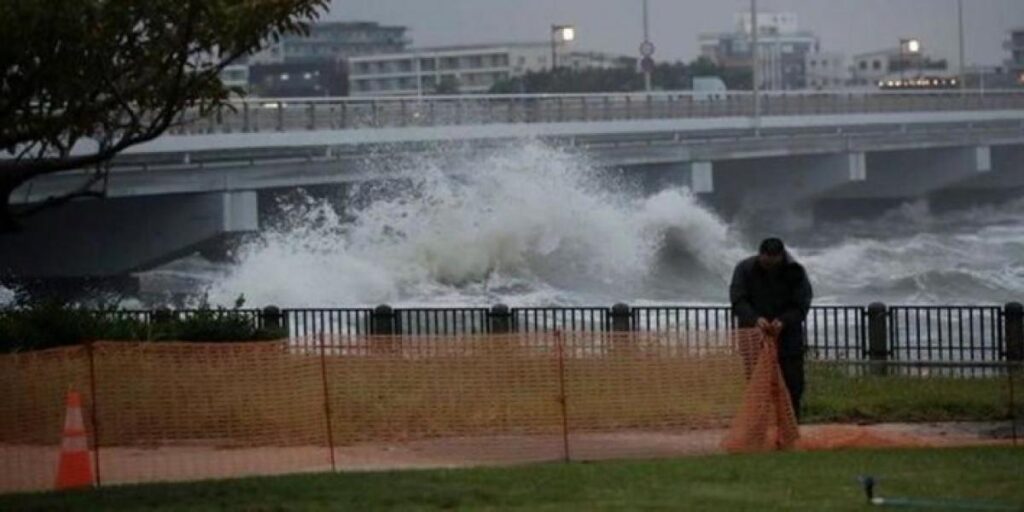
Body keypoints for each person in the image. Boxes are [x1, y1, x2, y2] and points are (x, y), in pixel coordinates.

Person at [729, 237, 813, 419]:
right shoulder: (744, 269)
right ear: (760, 255)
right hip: (753, 336)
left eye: (774, 264)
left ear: (781, 257)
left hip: (788, 337)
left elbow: (801, 304)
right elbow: (738, 300)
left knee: (792, 384)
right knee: (757, 386)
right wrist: (754, 319)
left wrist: (783, 321)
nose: (770, 268)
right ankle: (759, 427)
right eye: (766, 264)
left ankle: (790, 427)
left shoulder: (796, 271)